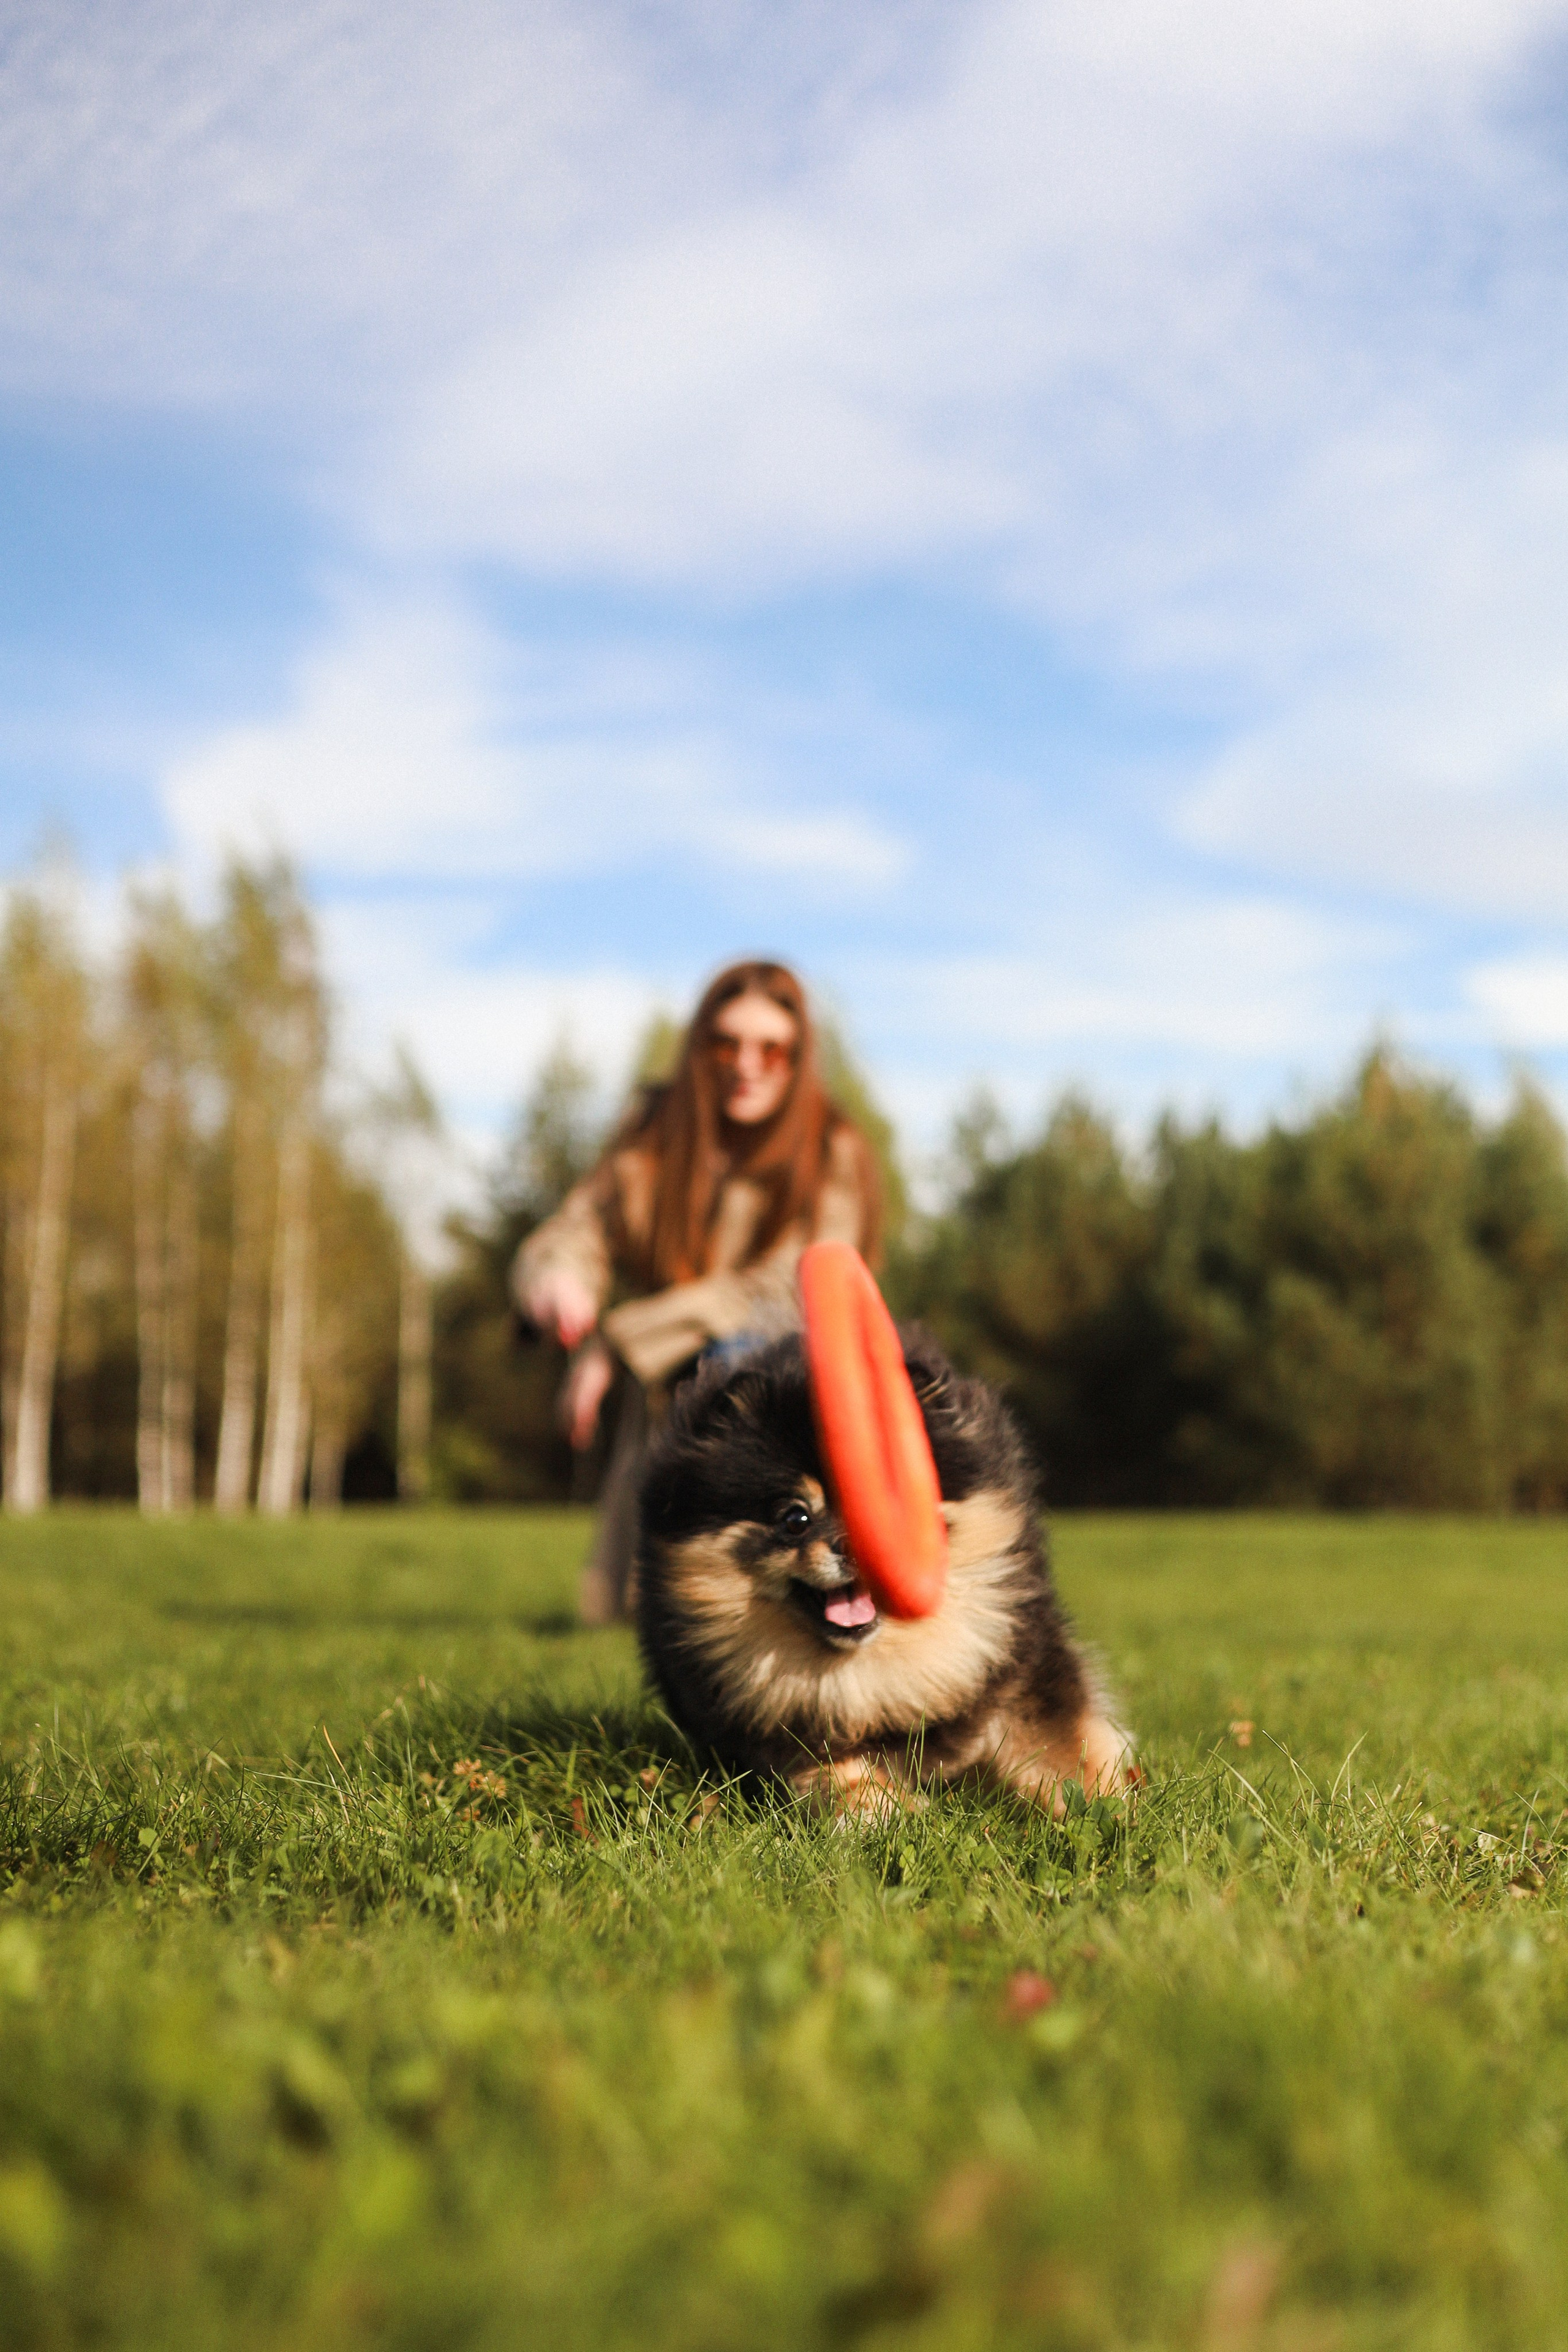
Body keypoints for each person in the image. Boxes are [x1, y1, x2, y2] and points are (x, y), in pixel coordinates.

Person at [513, 959, 883, 1625]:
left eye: (772, 1049)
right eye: (726, 1043)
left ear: (797, 1058)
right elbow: (582, 1226)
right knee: (632, 1612)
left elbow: (790, 1286)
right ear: (698, 1046)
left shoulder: (833, 1148)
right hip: (664, 1398)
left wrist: (619, 1341)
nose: (747, 1064)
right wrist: (560, 1279)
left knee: (733, 1357)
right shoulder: (653, 1129)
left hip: (782, 1391)